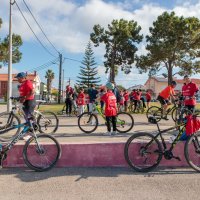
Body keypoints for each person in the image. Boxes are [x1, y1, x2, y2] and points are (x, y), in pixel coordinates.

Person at [15, 72, 36, 140]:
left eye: (18, 78)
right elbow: (22, 93)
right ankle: (27, 132)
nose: (17, 79)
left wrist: (24, 98)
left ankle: (31, 134)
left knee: (29, 119)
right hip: (25, 102)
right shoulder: (22, 84)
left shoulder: (27, 82)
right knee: (26, 118)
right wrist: (19, 98)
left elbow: (32, 91)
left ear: (22, 78)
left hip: (30, 101)